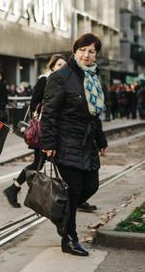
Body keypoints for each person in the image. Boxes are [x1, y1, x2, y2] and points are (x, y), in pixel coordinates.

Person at [40, 33, 108, 256]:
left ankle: (62, 217)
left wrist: (101, 140)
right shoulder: (61, 76)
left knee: (92, 186)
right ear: (75, 50)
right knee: (73, 191)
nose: (87, 55)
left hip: (87, 143)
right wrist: (48, 143)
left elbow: (94, 114)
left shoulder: (93, 76)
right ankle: (69, 239)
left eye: (92, 51)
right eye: (83, 50)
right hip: (66, 142)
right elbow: (48, 113)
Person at [3, 54, 66, 208]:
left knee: (43, 161)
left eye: (64, 65)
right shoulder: (45, 79)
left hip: (56, 128)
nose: (62, 68)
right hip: (45, 129)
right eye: (59, 65)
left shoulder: (65, 82)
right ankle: (15, 188)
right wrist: (42, 120)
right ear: (52, 66)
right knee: (42, 162)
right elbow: (34, 104)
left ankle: (14, 188)